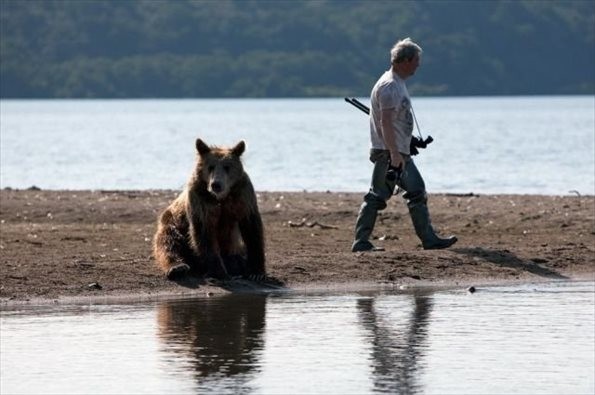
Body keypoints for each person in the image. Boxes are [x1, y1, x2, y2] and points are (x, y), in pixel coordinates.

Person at [351, 37, 457, 252]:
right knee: (377, 195)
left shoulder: (396, 83)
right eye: (416, 61)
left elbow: (396, 121)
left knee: (417, 191)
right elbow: (386, 122)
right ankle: (361, 242)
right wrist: (395, 154)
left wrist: (409, 142)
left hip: (397, 150)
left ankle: (429, 239)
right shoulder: (389, 86)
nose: (418, 65)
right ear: (406, 60)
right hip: (389, 153)